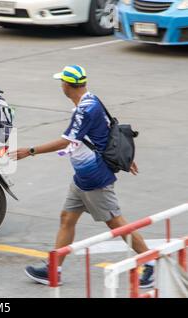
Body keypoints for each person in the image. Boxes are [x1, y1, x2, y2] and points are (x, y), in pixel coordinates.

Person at [9, 65, 155, 288]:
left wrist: (30, 151)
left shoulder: (84, 110)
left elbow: (67, 141)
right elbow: (107, 131)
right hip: (83, 176)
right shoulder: (92, 100)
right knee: (67, 218)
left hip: (95, 176)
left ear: (67, 86)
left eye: (62, 82)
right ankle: (54, 269)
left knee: (116, 222)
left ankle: (150, 262)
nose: (61, 86)